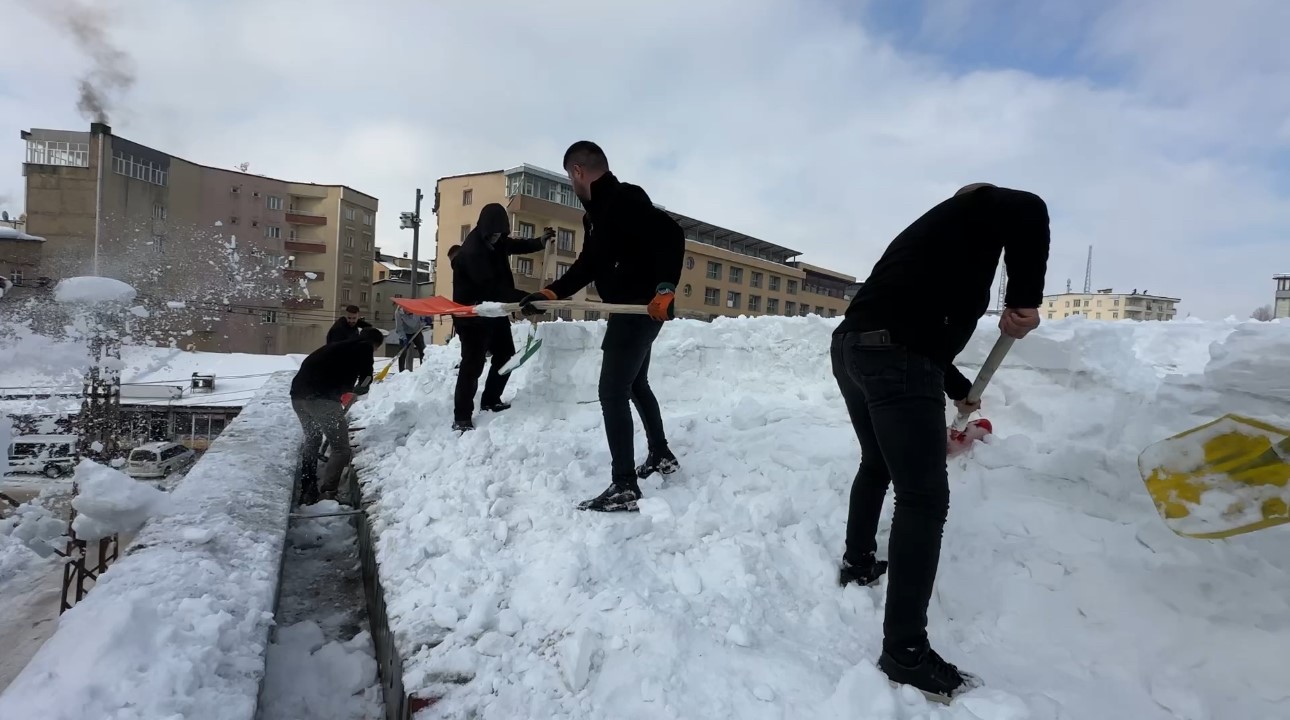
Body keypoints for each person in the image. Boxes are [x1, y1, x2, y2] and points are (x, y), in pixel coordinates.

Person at [830, 182, 1049, 701]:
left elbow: (909, 326)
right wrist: (1024, 301)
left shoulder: (929, 245)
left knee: (877, 462)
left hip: (853, 350)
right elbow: (1030, 207)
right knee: (924, 499)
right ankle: (905, 652)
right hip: (896, 358)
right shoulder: (980, 205)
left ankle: (859, 562)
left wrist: (959, 391)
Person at [518, 141, 685, 512]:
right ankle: (661, 454)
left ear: (578, 171)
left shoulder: (624, 199)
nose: (571, 183)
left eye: (569, 176)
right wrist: (549, 293)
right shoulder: (595, 216)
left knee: (612, 391)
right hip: (632, 310)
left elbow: (671, 235)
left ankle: (624, 485)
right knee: (635, 384)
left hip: (642, 310)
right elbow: (589, 265)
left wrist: (665, 288)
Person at [451, 203, 552, 431]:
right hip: (473, 316)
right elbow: (494, 289)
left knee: (506, 355)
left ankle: (490, 400)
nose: (498, 239)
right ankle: (462, 416)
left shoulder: (496, 241)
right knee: (472, 366)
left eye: (500, 234)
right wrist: (528, 299)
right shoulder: (472, 253)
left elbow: (514, 245)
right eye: (494, 235)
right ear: (485, 230)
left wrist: (539, 242)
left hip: (495, 311)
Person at [289, 327, 385, 504]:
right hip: (321, 400)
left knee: (312, 439)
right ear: (374, 344)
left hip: (298, 397)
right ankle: (328, 494)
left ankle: (307, 488)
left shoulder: (338, 346)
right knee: (341, 448)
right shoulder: (365, 347)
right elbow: (366, 379)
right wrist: (361, 388)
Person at [393, 305, 427, 372]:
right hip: (405, 332)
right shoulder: (398, 313)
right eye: (408, 312)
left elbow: (424, 315)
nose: (410, 313)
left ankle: (423, 370)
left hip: (417, 331)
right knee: (402, 352)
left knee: (423, 350)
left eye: (411, 312)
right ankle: (401, 372)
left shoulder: (417, 308)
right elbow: (399, 328)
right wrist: (404, 338)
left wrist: (426, 319)